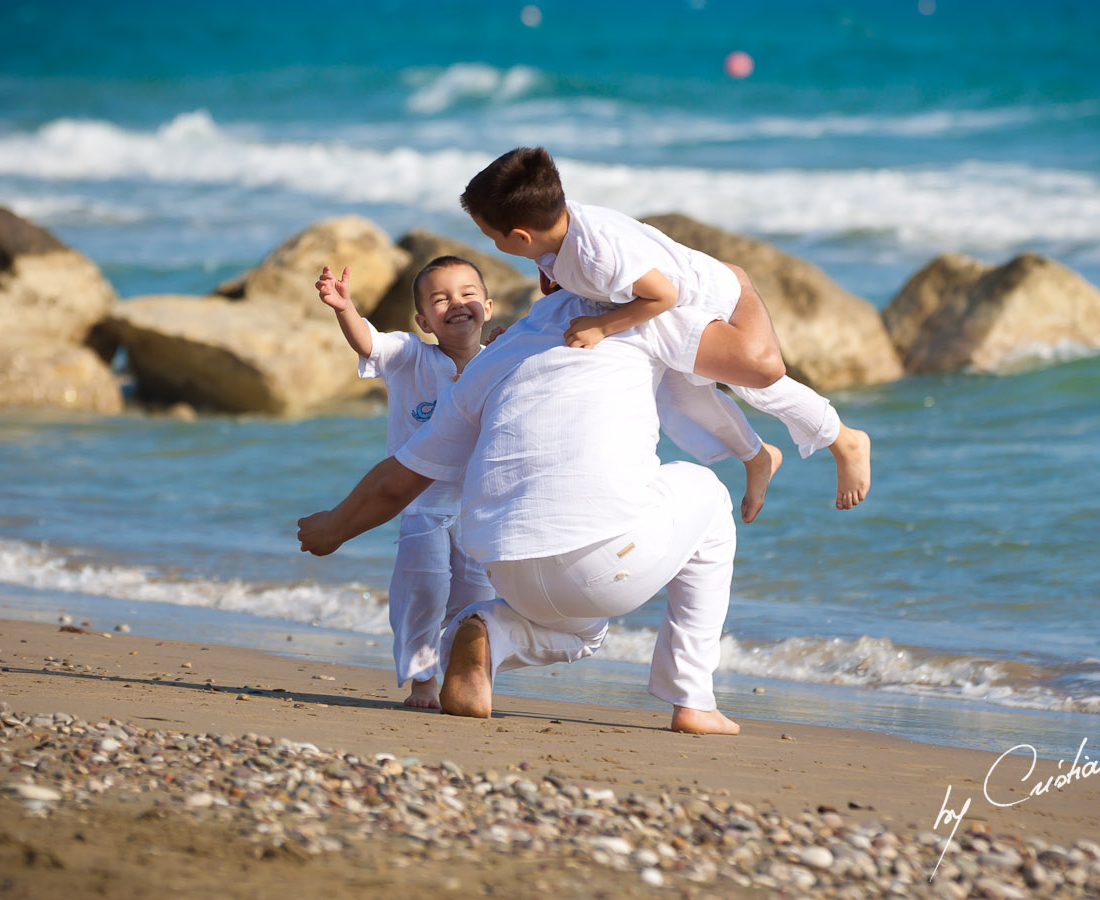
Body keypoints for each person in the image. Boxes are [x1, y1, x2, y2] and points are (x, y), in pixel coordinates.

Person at [297, 271, 788, 733]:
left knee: (581, 627)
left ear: (543, 281)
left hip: (507, 569)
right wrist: (740, 284)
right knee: (708, 493)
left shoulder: (494, 356)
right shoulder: (646, 322)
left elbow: (399, 478)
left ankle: (488, 626)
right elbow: (761, 365)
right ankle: (694, 699)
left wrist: (332, 529)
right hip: (598, 564)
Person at [459, 146, 871, 511]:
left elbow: (663, 295)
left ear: (521, 236)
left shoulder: (598, 255)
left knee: (755, 385)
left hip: (701, 300)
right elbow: (565, 281)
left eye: (492, 238)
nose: (494, 246)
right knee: (681, 399)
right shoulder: (560, 232)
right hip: (662, 311)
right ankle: (757, 456)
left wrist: (602, 327)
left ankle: (845, 439)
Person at [315, 256, 496, 709]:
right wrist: (343, 309)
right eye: (441, 299)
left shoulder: (498, 364)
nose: (457, 303)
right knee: (424, 591)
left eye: (467, 294)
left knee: (477, 600)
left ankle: (465, 671)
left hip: (478, 507)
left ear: (488, 307)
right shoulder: (410, 355)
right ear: (424, 320)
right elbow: (367, 341)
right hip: (420, 505)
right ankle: (421, 679)